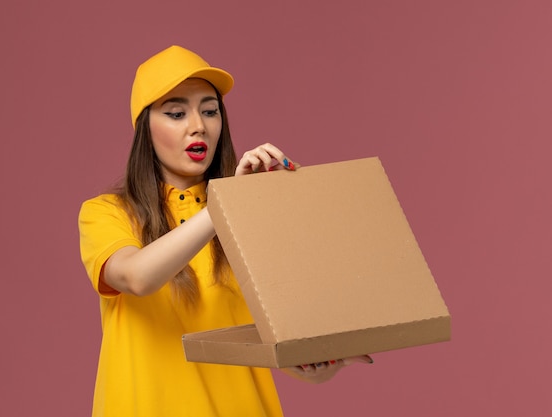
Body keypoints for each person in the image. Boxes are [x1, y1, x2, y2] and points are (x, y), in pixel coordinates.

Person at [78, 45, 372, 417]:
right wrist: (227, 205)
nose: (198, 124)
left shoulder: (251, 214)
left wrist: (320, 359)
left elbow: (281, 349)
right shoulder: (106, 213)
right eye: (176, 113)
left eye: (210, 110)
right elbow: (137, 277)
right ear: (144, 130)